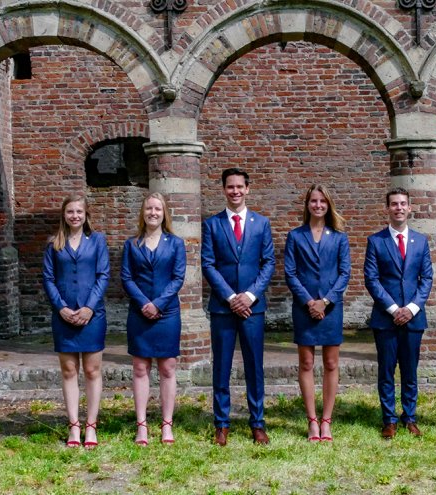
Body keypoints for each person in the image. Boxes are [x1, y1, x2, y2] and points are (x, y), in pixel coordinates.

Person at [201, 167, 275, 446]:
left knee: (254, 366)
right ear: (224, 189)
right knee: (221, 365)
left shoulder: (261, 223)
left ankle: (257, 422)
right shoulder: (212, 224)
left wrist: (251, 295)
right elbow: (208, 264)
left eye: (239, 186)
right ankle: (221, 423)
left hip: (253, 308)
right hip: (223, 307)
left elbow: (268, 262)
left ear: (248, 189)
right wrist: (231, 297)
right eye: (230, 187)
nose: (235, 191)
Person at [364, 187, 433, 439]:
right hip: (386, 318)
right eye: (394, 204)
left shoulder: (420, 241)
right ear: (387, 209)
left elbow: (427, 278)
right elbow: (372, 280)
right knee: (386, 370)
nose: (399, 208)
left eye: (403, 203)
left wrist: (412, 309)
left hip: (414, 318)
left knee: (410, 370)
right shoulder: (376, 241)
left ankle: (410, 417)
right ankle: (389, 419)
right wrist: (394, 309)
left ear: (410, 207)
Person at [284, 185, 351, 442]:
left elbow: (344, 273)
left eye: (323, 201)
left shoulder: (339, 237)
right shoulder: (295, 236)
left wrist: (325, 301)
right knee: (306, 363)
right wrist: (310, 302)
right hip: (305, 307)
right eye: (314, 200)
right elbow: (290, 273)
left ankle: (326, 421)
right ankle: (312, 420)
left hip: (331, 308)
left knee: (331, 363)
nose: (318, 205)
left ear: (328, 204)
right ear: (307, 204)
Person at [42, 194, 110, 449]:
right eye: (70, 211)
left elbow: (103, 275)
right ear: (64, 214)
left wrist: (89, 308)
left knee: (92, 371)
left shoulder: (98, 241)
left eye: (79, 212)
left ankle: (91, 425)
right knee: (69, 371)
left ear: (86, 215)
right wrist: (60, 307)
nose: (75, 216)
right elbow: (48, 278)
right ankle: (73, 425)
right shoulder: (54, 244)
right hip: (64, 316)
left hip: (92, 315)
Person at [121, 193, 186, 445]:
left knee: (167, 368)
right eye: (149, 208)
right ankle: (142, 426)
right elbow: (126, 278)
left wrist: (158, 304)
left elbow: (178, 278)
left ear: (164, 213)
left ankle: (167, 424)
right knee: (140, 368)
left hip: (167, 313)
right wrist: (144, 303)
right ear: (143, 212)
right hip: (139, 313)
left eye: (158, 209)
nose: (153, 213)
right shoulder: (132, 244)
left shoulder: (175, 243)